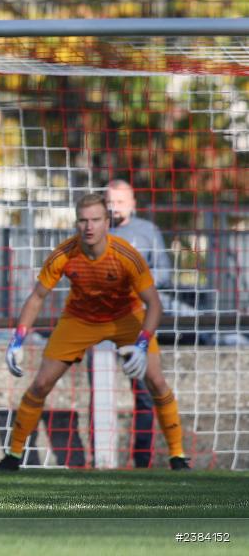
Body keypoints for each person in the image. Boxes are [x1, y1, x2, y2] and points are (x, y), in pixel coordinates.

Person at [0, 193, 189, 472]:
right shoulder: (64, 253)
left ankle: (178, 456)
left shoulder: (126, 255)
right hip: (79, 319)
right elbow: (37, 296)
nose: (89, 227)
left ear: (107, 222)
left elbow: (154, 304)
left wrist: (142, 345)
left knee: (157, 382)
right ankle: (13, 455)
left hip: (126, 318)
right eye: (83, 220)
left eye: (95, 220)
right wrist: (17, 340)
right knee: (40, 384)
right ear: (76, 223)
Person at [105, 179, 172, 467]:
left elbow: (165, 274)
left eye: (120, 202)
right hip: (98, 322)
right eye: (110, 201)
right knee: (100, 392)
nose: (114, 208)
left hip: (136, 323)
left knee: (144, 393)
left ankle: (141, 461)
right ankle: (100, 460)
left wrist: (135, 285)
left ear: (132, 203)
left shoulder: (147, 232)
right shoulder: (92, 230)